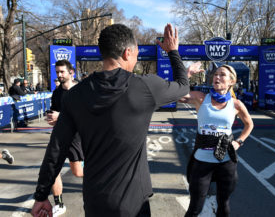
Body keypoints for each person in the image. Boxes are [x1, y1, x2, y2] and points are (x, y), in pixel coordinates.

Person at [31, 23, 189, 217]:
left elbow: (56, 149)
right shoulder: (145, 87)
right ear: (127, 53)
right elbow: (183, 85)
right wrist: (173, 51)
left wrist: (41, 195)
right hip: (133, 205)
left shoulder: (75, 95)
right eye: (136, 53)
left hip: (95, 202)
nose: (137, 58)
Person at [180, 64, 253, 217]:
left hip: (226, 162)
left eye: (222, 75)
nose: (217, 77)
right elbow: (174, 94)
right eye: (215, 74)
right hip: (202, 162)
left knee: (223, 204)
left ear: (231, 81)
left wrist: (238, 142)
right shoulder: (201, 98)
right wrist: (187, 74)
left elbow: (249, 124)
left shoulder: (236, 104)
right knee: (195, 208)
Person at [46, 59, 84, 217]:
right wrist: (51, 118)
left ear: (71, 73)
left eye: (62, 72)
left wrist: (60, 116)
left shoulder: (81, 90)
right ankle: (59, 203)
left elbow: (85, 116)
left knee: (78, 173)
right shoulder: (57, 92)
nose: (59, 75)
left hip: (77, 137)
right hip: (59, 136)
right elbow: (55, 112)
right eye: (57, 72)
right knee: (52, 170)